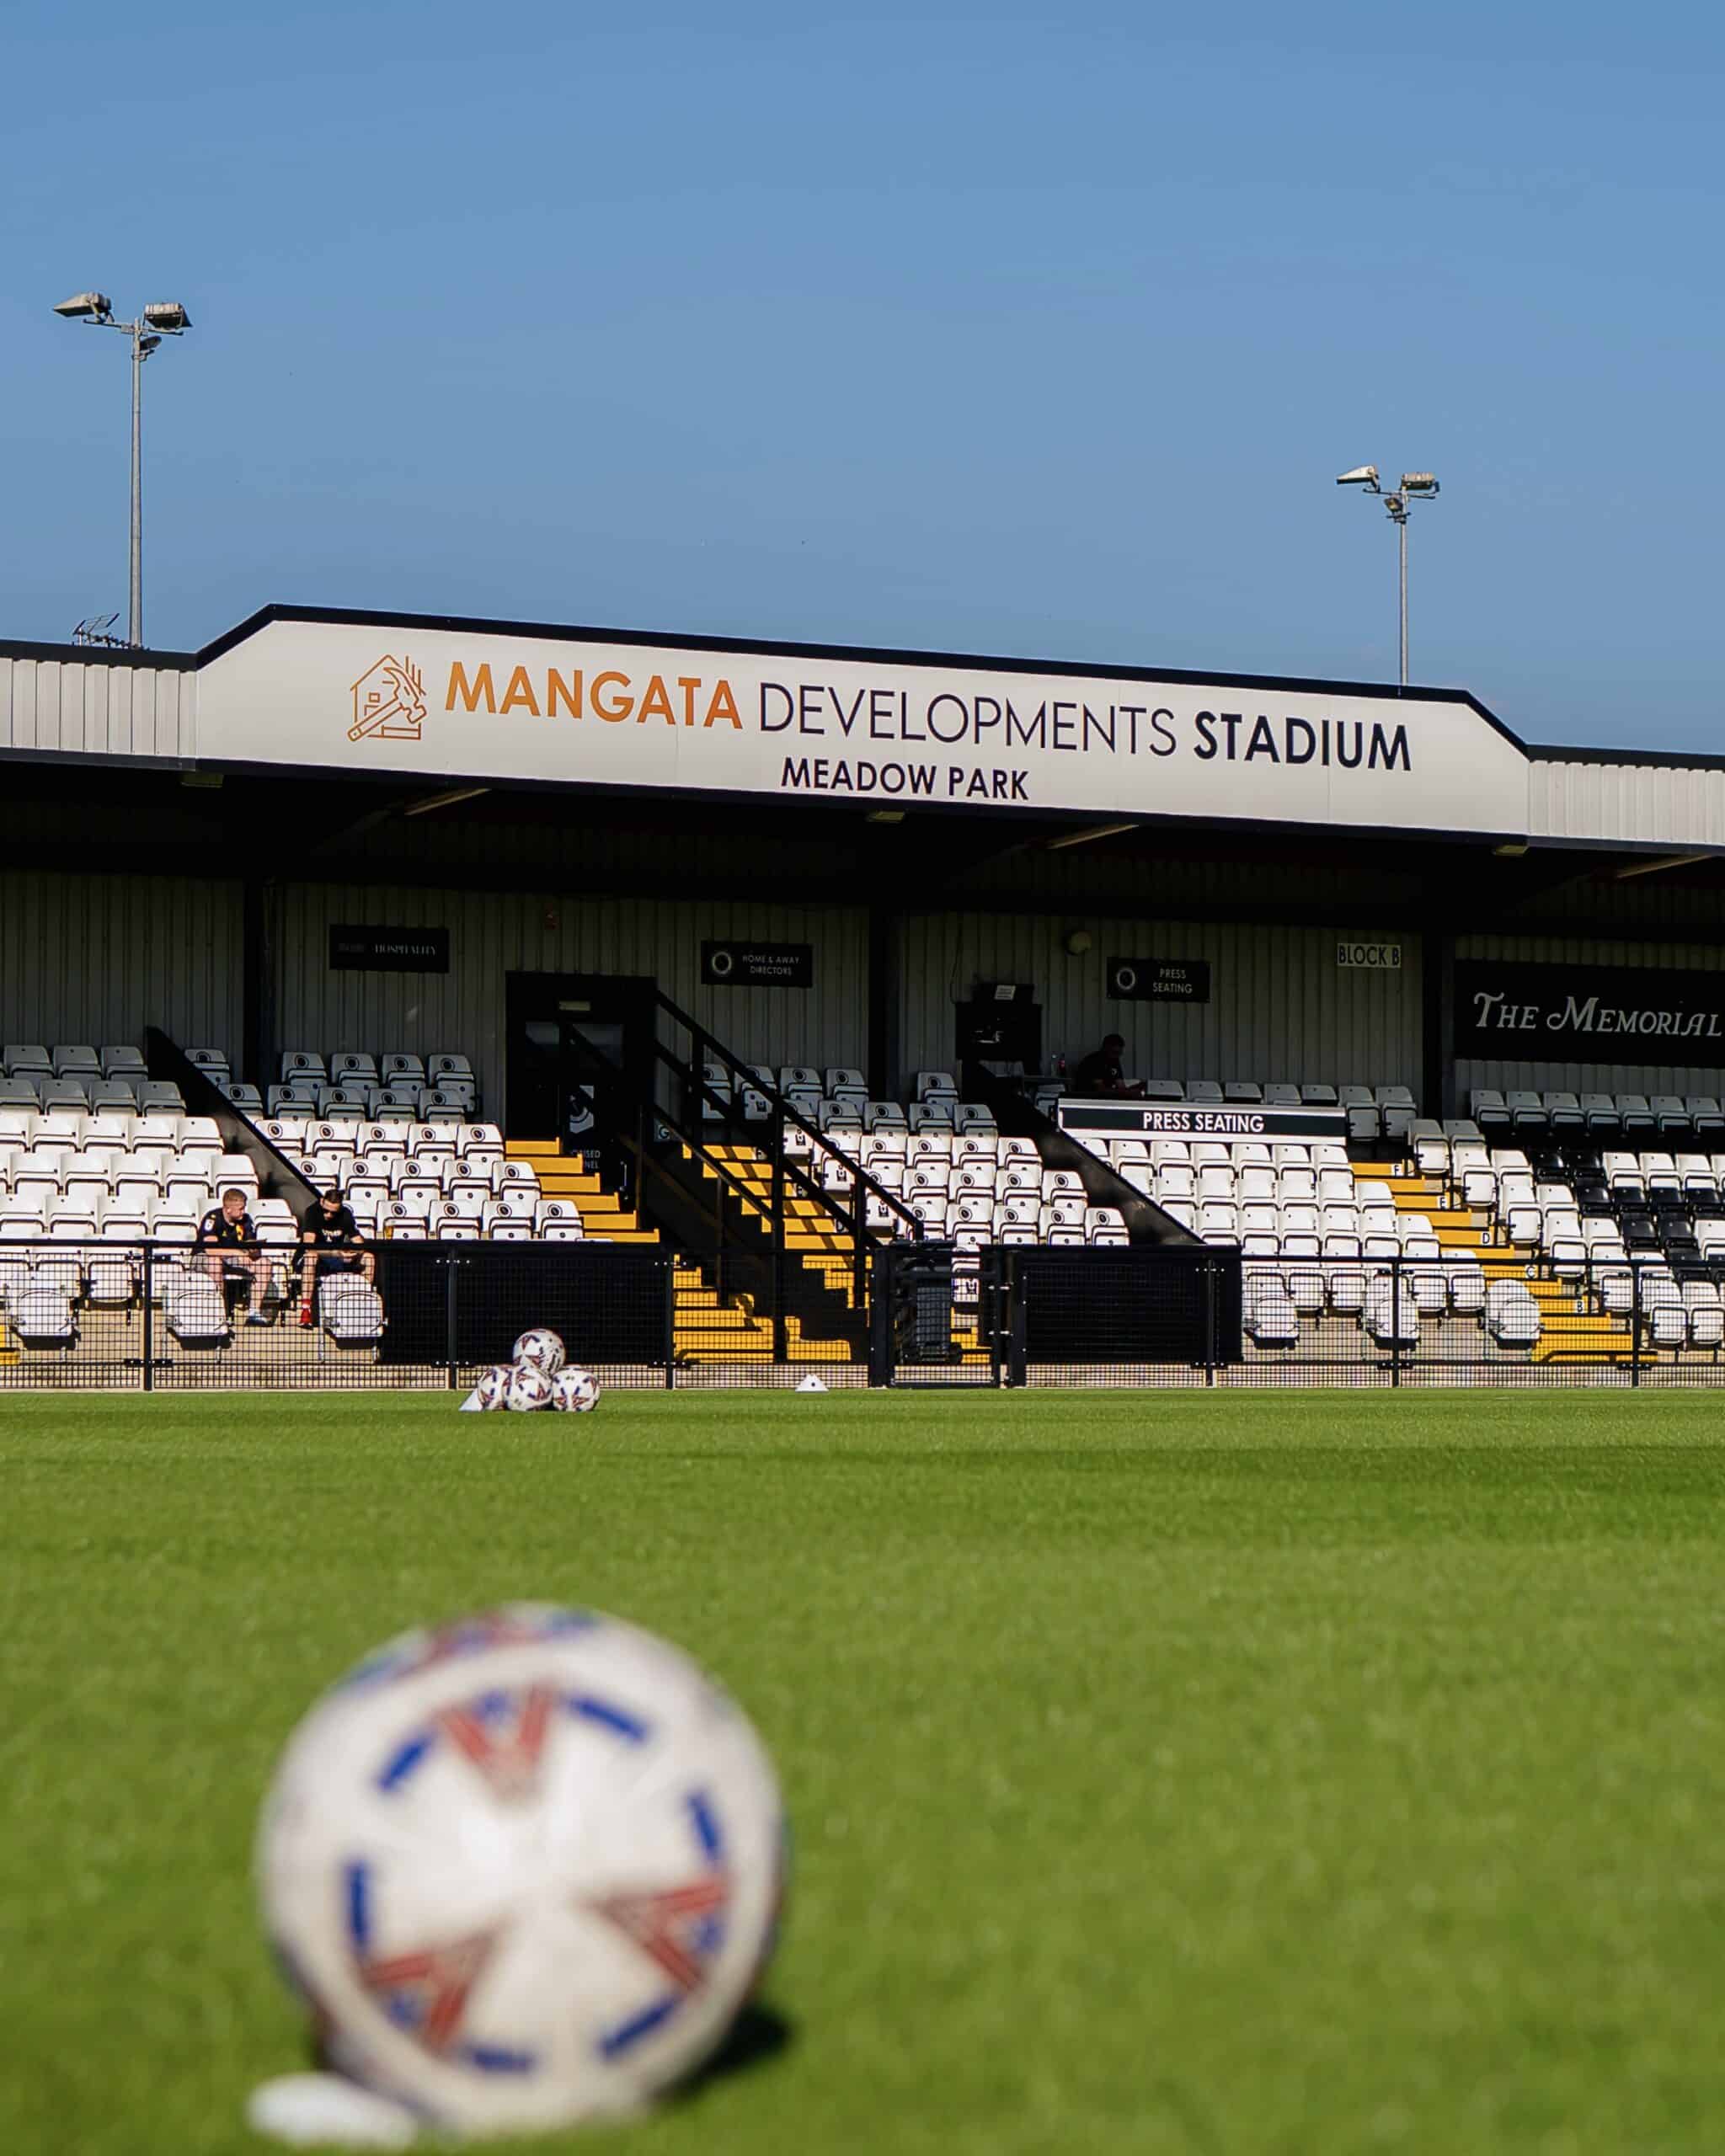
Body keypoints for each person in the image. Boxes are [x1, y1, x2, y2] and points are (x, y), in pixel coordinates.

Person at [296, 1185, 376, 1328]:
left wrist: (353, 1253)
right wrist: (335, 1253)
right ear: (322, 1202)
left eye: (333, 1212)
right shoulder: (312, 1212)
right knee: (311, 1257)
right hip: (317, 1257)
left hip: (337, 1257)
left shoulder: (345, 1214)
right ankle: (306, 1309)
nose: (328, 1215)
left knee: (369, 1258)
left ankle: (363, 1304)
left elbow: (359, 1242)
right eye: (326, 1211)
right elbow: (309, 1246)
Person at [195, 1187, 273, 1323]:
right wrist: (238, 1253)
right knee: (214, 1262)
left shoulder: (246, 1220)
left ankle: (254, 1312)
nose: (243, 1211)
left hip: (233, 1259)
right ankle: (218, 1313)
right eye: (240, 1208)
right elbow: (210, 1250)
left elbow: (250, 1242)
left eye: (244, 1208)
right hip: (203, 1258)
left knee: (264, 1263)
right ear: (228, 1209)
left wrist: (253, 1251)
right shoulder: (213, 1218)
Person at [1071, 1034, 1145, 1097]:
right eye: (1114, 1052)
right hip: (1088, 1099)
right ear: (1105, 1048)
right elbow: (1100, 1090)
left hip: (1107, 1100)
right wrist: (1128, 1092)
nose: (1117, 1056)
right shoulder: (1094, 1061)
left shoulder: (1115, 1061)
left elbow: (1121, 1086)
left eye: (1119, 1053)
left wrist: (1135, 1089)